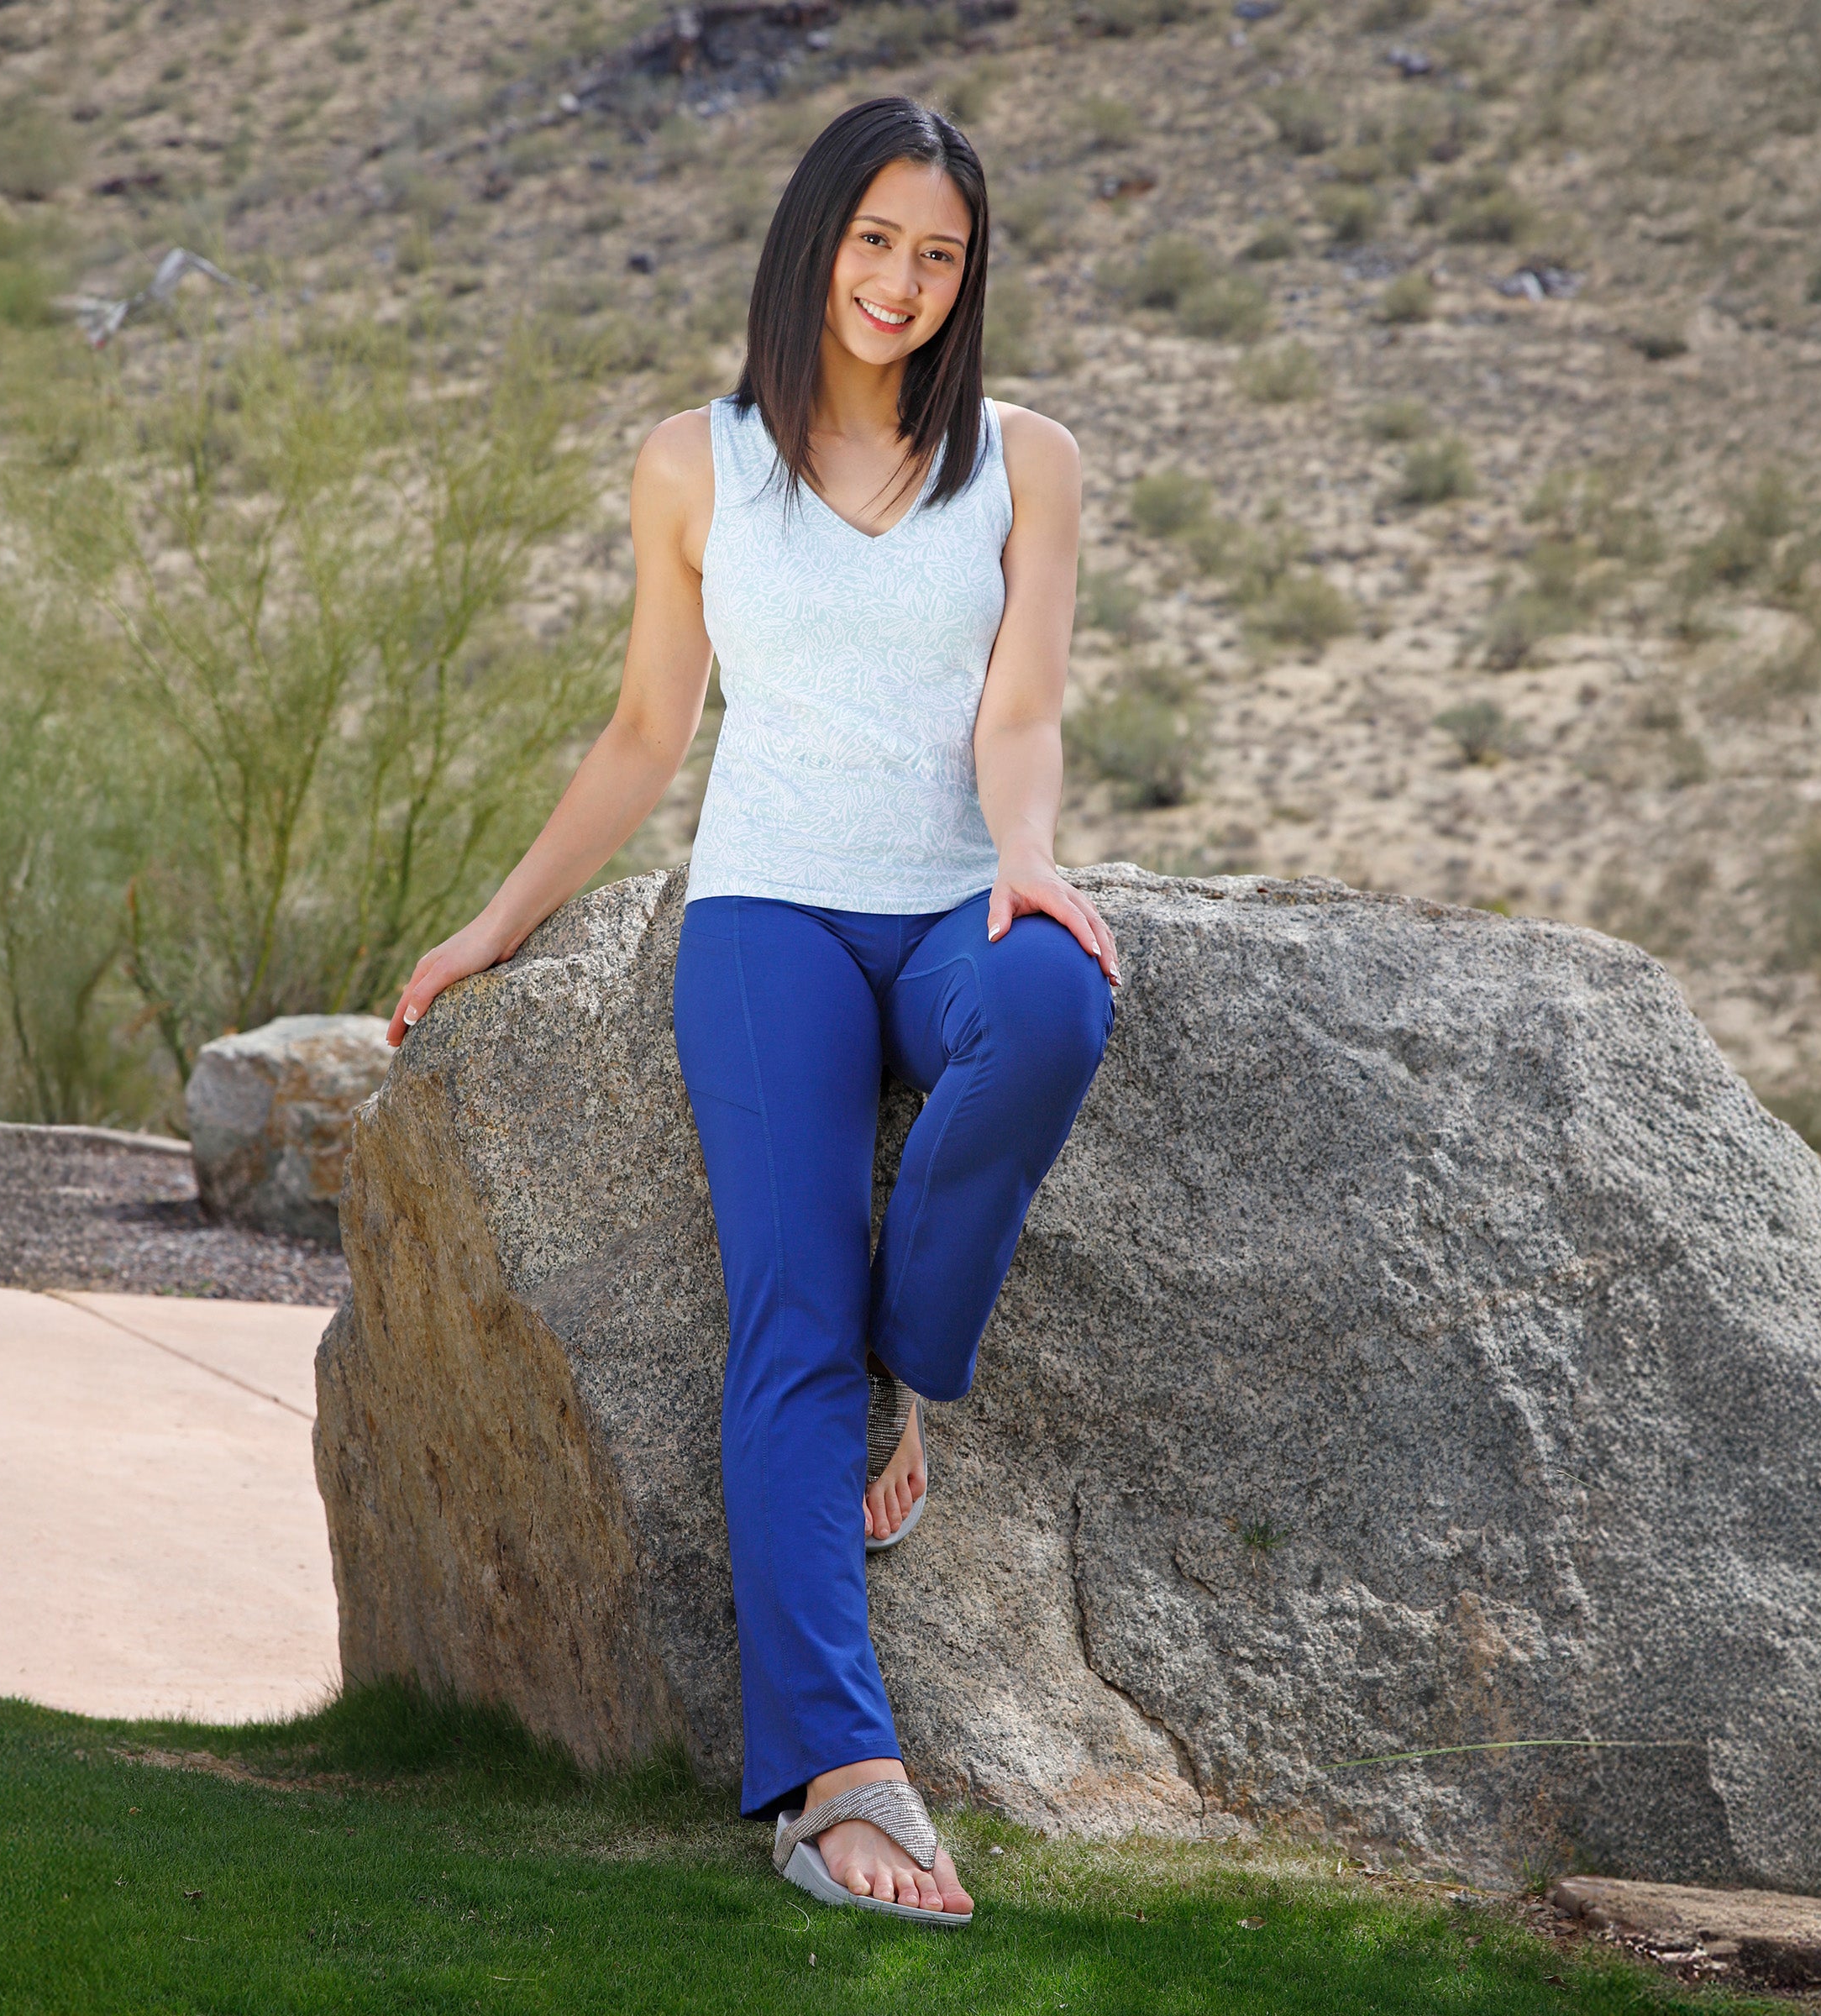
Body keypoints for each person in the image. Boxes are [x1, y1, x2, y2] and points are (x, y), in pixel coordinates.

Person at [386, 95, 1120, 1926]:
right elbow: (650, 731)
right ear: (813, 240)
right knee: (782, 1316)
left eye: (940, 256)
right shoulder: (693, 463)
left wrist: (1025, 859)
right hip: (768, 922)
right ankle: (837, 1776)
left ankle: (913, 1374)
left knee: (1053, 1004)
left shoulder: (1029, 460)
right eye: (877, 240)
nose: (903, 283)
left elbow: (1018, 711)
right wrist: (493, 925)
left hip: (955, 900)